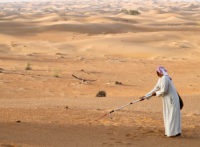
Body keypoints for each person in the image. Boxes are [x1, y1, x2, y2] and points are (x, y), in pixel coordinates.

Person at [140, 66, 181, 137]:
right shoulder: (161, 79)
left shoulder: (165, 78)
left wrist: (155, 94)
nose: (157, 73)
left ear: (160, 72)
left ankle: (174, 133)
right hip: (167, 100)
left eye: (157, 72)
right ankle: (169, 132)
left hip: (172, 100)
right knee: (167, 115)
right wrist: (145, 96)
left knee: (172, 116)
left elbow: (164, 91)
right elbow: (155, 89)